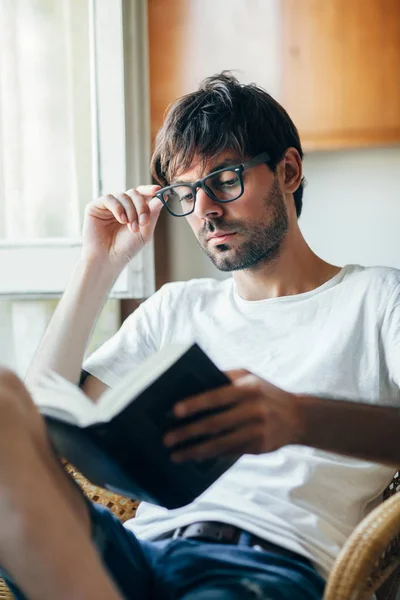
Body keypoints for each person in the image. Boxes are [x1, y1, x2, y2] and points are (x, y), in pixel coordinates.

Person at [1, 71, 399, 600]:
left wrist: (298, 418)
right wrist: (97, 265)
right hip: (137, 550)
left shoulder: (378, 299)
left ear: (288, 170)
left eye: (225, 179)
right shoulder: (175, 307)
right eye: (186, 192)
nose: (206, 209)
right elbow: (42, 421)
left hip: (263, 564)